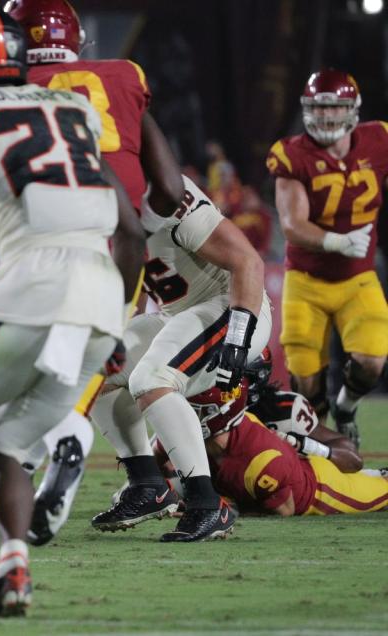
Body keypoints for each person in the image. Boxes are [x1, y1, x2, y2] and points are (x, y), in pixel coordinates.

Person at [0, 5, 144, 617]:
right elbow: (134, 234)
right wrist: (116, 320)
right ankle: (14, 570)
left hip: (30, 281)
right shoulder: (73, 111)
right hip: (98, 293)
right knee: (6, 446)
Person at [3, 0, 187, 545]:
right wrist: (138, 224)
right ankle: (78, 459)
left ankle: (51, 451)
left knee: (49, 377)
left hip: (50, 246)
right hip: (122, 252)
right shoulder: (123, 76)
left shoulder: (8, 90)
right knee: (82, 369)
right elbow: (172, 191)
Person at [87, 175, 271, 541]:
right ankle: (147, 484)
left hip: (230, 305)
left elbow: (247, 263)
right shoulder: (99, 201)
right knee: (95, 367)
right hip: (178, 314)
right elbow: (132, 293)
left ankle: (206, 504)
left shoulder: (167, 193)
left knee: (151, 379)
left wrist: (237, 337)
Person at [267, 69, 388, 448]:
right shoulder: (292, 154)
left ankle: (347, 408)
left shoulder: (379, 139)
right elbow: (291, 224)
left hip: (359, 277)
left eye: (335, 108)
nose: (326, 117)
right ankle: (320, 447)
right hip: (307, 280)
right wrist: (337, 242)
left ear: (352, 109)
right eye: (319, 110)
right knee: (305, 378)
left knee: (373, 360)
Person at [175, 381, 388, 517]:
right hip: (289, 474)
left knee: (378, 489)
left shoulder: (283, 415)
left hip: (315, 485)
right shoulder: (235, 420)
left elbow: (284, 508)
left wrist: (306, 445)